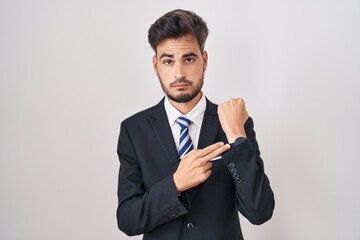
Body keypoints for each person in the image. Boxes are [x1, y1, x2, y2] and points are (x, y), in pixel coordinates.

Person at [116, 9, 274, 240]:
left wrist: (237, 138)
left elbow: (260, 212)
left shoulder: (235, 123)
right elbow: (128, 220)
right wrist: (175, 184)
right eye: (168, 61)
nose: (179, 73)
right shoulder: (134, 130)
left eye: (188, 59)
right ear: (155, 65)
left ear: (204, 60)